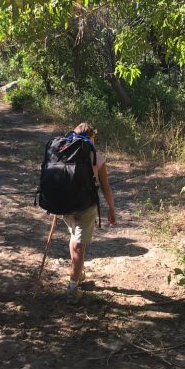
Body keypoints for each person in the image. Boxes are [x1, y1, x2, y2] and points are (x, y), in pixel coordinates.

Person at [62, 122, 116, 304]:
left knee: (74, 236)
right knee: (80, 245)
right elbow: (105, 187)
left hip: (65, 204)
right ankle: (72, 289)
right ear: (91, 137)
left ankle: (78, 272)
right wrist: (111, 208)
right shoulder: (96, 157)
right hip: (86, 205)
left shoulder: (63, 151)